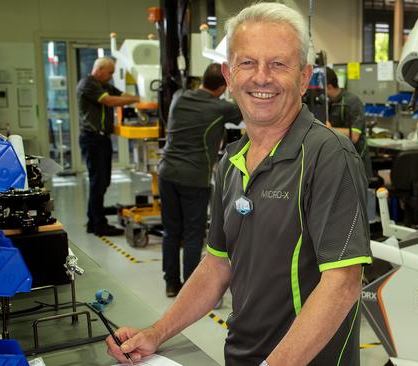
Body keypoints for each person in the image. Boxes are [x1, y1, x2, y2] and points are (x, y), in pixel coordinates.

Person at [106, 3, 372, 366]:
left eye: (278, 64)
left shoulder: (327, 156)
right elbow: (217, 265)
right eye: (248, 63)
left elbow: (342, 284)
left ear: (305, 76)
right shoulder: (230, 162)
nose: (261, 77)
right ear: (229, 76)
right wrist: (156, 332)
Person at [158, 63, 243, 299]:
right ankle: (191, 289)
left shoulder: (179, 97)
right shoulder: (220, 108)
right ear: (223, 86)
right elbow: (249, 109)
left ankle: (171, 283)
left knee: (171, 232)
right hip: (194, 177)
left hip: (167, 173)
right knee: (194, 233)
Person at [77, 57, 139, 237]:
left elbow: (120, 96)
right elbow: (110, 101)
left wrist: (144, 98)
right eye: (110, 72)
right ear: (100, 69)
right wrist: (137, 99)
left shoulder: (103, 84)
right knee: (98, 181)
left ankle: (93, 220)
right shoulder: (88, 84)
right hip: (92, 139)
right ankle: (98, 225)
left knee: (103, 181)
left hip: (102, 139)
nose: (111, 76)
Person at [325, 66, 372, 178]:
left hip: (356, 163)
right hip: (338, 162)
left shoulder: (352, 102)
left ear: (329, 86)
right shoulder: (327, 103)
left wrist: (328, 129)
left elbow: (354, 135)